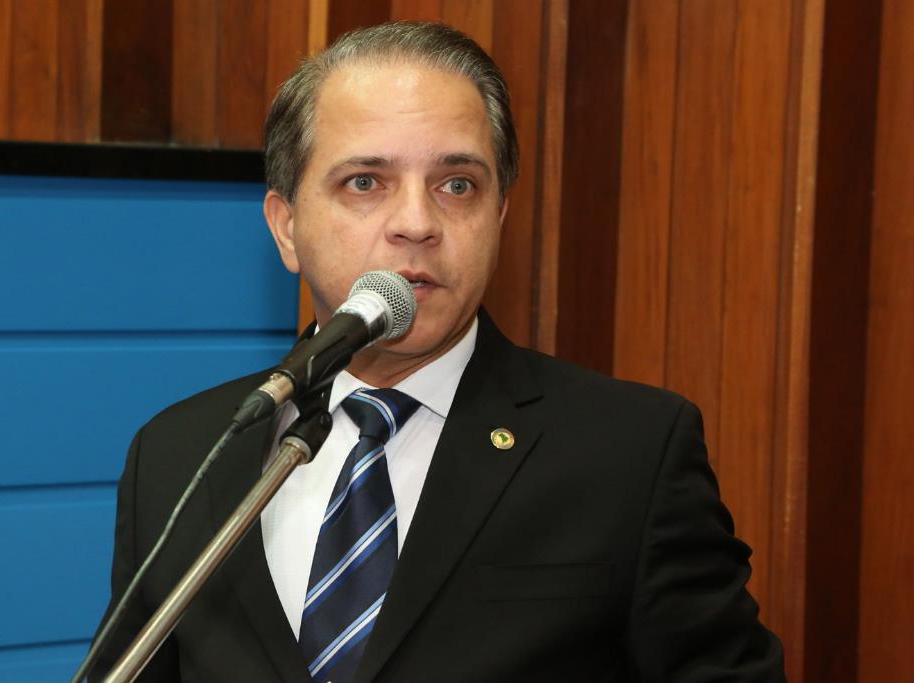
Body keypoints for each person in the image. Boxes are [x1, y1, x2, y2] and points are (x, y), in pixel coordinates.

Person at [89, 21, 786, 682]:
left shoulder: (631, 454)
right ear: (287, 227)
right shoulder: (181, 456)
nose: (417, 223)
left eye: (458, 185)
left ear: (499, 216)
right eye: (366, 182)